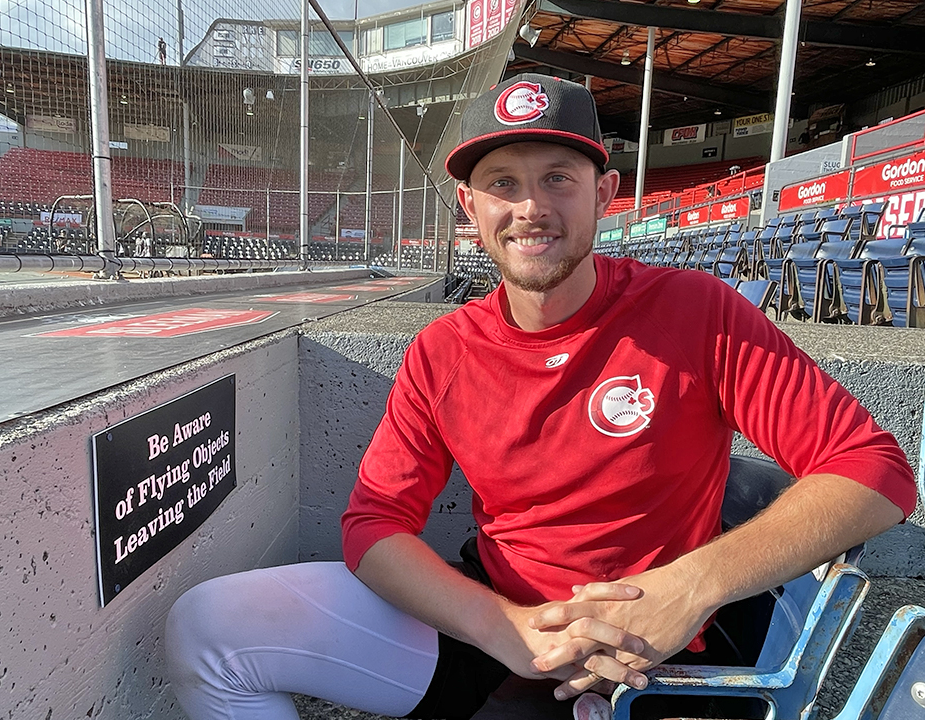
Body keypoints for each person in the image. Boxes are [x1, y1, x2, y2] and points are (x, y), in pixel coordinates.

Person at [165, 74, 916, 720]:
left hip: (660, 653)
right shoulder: (443, 349)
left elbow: (875, 473)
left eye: (558, 177)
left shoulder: (695, 310)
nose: (531, 206)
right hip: (497, 623)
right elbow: (373, 524)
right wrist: (507, 629)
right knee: (212, 626)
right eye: (503, 183)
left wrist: (690, 587)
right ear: (470, 206)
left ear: (605, 193)